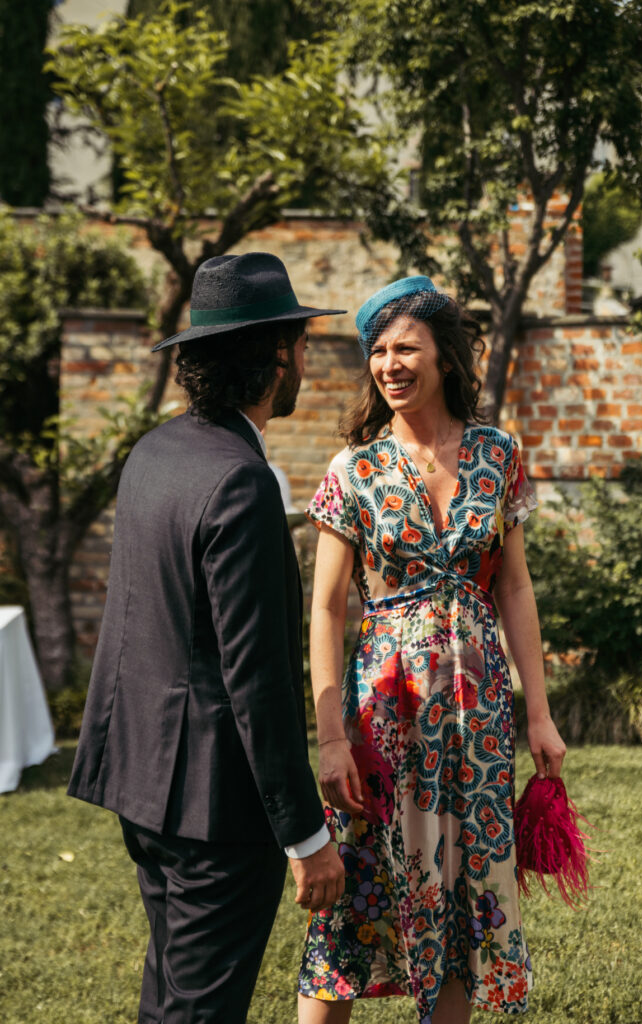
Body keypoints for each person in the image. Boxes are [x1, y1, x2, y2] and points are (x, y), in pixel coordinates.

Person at [68, 252, 346, 1024]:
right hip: (214, 812)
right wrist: (306, 838)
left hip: (142, 783)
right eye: (299, 345)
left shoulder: (153, 452)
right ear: (276, 356)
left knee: (173, 996)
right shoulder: (240, 482)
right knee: (197, 1013)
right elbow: (255, 681)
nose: (304, 362)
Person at [297, 276, 566, 1024]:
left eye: (405, 348)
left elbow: (513, 590)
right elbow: (322, 608)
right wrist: (327, 738)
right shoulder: (353, 470)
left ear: (444, 358)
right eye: (377, 352)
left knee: (462, 896)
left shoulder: (496, 454)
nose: (389, 364)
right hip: (382, 719)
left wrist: (536, 715)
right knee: (355, 899)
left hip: (475, 722)